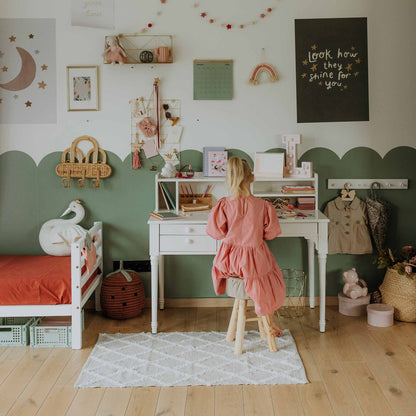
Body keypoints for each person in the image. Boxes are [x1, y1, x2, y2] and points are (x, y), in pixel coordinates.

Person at [206, 156, 286, 336]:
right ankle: (269, 323)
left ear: (229, 179)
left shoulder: (224, 204)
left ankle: (267, 321)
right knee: (271, 274)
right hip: (253, 264)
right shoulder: (264, 206)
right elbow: (271, 234)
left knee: (264, 270)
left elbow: (216, 232)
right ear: (252, 178)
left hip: (229, 263)